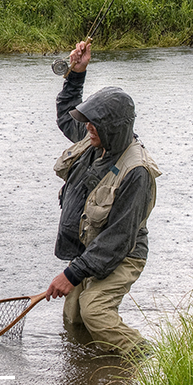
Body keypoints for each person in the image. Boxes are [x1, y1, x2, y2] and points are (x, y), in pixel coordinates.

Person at [43, 41, 160, 355]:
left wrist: (71, 273)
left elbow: (117, 240)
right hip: (89, 251)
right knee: (73, 319)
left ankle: (150, 361)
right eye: (88, 122)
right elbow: (67, 117)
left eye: (95, 123)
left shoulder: (137, 172)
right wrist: (76, 75)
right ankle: (93, 374)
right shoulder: (94, 139)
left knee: (94, 310)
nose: (87, 128)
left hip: (122, 254)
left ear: (114, 127)